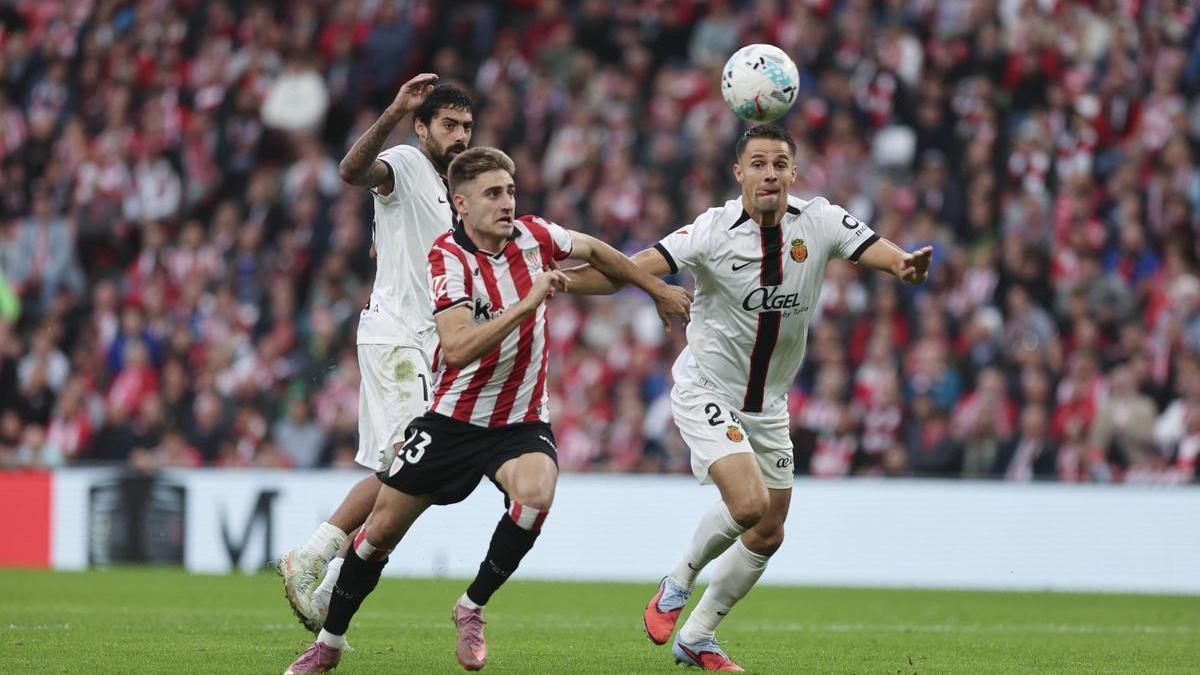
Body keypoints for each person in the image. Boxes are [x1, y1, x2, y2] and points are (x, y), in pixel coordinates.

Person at [283, 146, 691, 674]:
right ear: (462, 204)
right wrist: (528, 302)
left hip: (518, 422)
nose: (507, 203)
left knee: (536, 494)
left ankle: (471, 607)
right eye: (493, 194)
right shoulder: (446, 257)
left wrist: (655, 288)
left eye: (510, 191)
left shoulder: (535, 235)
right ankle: (329, 644)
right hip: (451, 420)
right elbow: (455, 348)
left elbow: (596, 249)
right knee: (378, 535)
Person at [565, 123, 932, 671]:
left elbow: (878, 248)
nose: (769, 173)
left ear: (793, 172)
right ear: (738, 172)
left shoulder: (821, 221)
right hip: (706, 388)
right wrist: (562, 282)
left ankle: (698, 637)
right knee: (748, 504)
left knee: (769, 527)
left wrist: (904, 264)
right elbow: (627, 270)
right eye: (757, 163)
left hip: (770, 405)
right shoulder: (710, 232)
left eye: (780, 163)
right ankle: (676, 582)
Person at [275, 73, 475, 632]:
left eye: (466, 127)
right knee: (415, 474)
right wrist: (392, 111)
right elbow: (353, 171)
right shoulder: (408, 164)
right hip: (397, 340)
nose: (460, 136)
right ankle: (314, 561)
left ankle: (323, 569)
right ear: (422, 127)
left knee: (408, 474)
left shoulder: (451, 194)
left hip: (428, 349)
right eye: (449, 125)